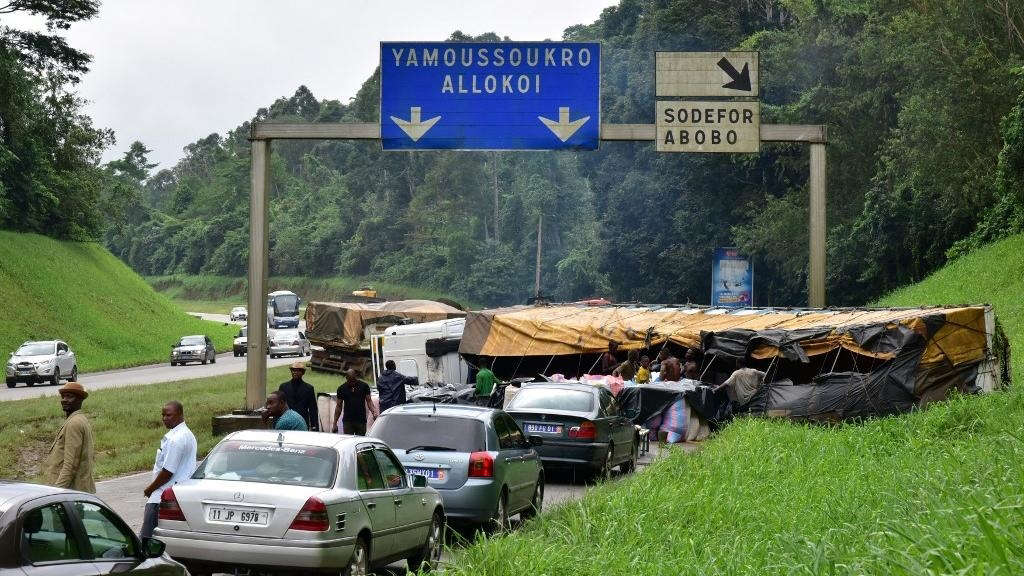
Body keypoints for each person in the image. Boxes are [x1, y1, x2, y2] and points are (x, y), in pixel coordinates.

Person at [141, 401, 197, 539]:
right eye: (163, 415)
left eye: (169, 415)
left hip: (161, 496)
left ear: (180, 415)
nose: (165, 418)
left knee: (146, 539)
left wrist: (150, 489)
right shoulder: (187, 435)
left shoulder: (176, 439)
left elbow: (167, 472)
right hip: (178, 493)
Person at [43, 381, 95, 493]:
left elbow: (70, 464)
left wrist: (57, 492)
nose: (64, 400)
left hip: (71, 492)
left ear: (79, 400)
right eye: (63, 396)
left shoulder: (74, 424)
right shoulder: (78, 419)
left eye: (70, 396)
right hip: (74, 491)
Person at [333, 369, 378, 435]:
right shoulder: (341, 389)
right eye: (350, 381)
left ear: (356, 376)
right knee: (348, 441)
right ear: (346, 378)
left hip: (361, 420)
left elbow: (369, 401)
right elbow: (338, 406)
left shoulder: (364, 386)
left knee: (360, 441)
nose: (352, 383)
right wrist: (334, 423)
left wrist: (374, 412)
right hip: (348, 421)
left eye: (353, 380)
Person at [278, 361, 319, 431]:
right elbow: (279, 405)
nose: (295, 372)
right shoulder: (283, 387)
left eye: (298, 371)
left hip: (302, 421)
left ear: (303, 373)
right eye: (293, 370)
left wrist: (314, 425)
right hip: (286, 421)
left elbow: (313, 408)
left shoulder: (309, 388)